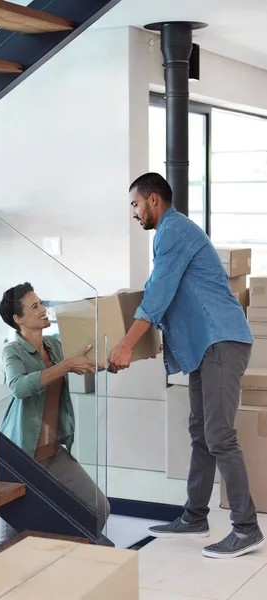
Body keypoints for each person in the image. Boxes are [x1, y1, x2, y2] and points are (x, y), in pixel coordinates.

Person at [108, 172, 263, 559]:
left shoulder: (172, 231)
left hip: (220, 342)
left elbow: (158, 293)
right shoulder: (172, 234)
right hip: (204, 348)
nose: (133, 212)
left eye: (135, 204)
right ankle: (195, 516)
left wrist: (127, 344)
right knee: (200, 431)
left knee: (219, 434)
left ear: (154, 200)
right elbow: (163, 291)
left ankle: (246, 528)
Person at [0, 282, 110, 542]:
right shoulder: (12, 351)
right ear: (18, 319)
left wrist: (114, 360)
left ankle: (66, 560)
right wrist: (65, 366)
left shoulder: (54, 346)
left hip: (54, 454)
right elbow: (19, 388)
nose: (43, 310)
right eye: (35, 306)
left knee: (99, 508)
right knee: (11, 540)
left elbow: (82, 361)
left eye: (41, 303)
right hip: (22, 460)